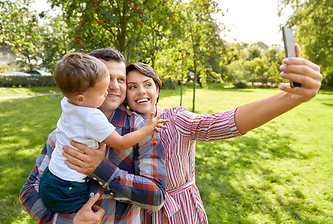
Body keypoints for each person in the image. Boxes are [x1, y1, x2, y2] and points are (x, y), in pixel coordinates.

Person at [124, 44, 322, 223]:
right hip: (138, 215)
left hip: (180, 213)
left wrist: (291, 98)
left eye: (147, 84)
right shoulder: (120, 128)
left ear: (157, 90)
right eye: (132, 87)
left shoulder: (176, 120)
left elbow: (223, 122)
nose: (141, 91)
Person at [20, 48, 167, 223]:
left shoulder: (139, 128)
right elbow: (29, 190)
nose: (113, 86)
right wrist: (70, 221)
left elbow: (156, 197)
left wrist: (100, 168)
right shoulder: (66, 131)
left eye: (121, 80)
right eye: (107, 78)